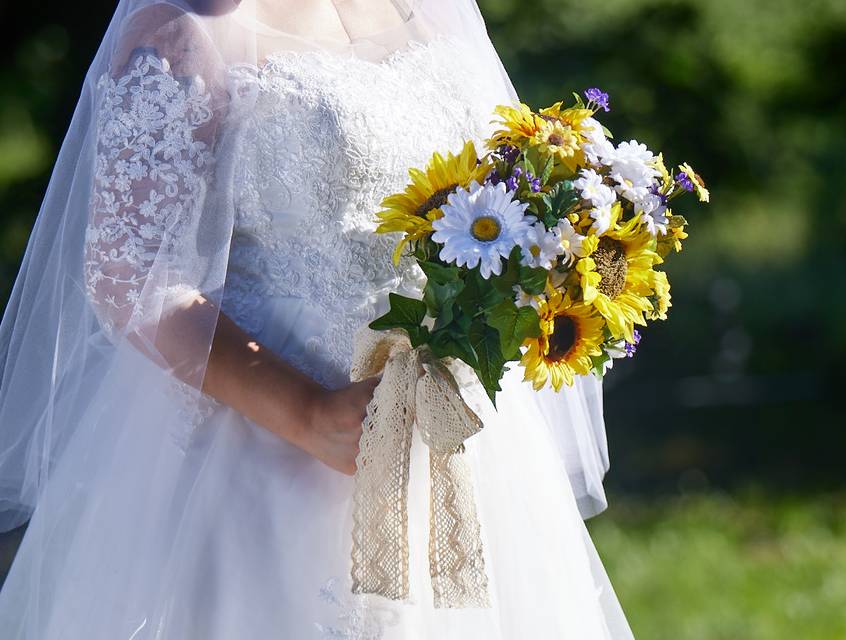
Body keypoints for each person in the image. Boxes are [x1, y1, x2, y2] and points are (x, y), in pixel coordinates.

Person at [0, 1, 633, 637]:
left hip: (452, 425)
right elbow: (128, 273)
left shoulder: (432, 7)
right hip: (268, 443)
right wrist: (306, 412)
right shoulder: (185, 25)